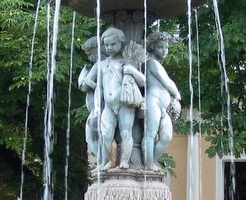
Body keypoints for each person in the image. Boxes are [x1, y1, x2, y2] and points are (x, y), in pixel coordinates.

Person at [79, 28, 144, 169]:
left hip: (125, 104)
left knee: (126, 132)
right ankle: (109, 161)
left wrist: (132, 70)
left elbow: (143, 82)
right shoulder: (101, 65)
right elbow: (88, 86)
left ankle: (125, 161)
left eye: (113, 44)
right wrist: (84, 78)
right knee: (106, 134)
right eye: (106, 45)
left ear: (121, 43)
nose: (109, 48)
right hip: (108, 107)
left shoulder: (127, 63)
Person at [143, 31, 181, 169]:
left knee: (166, 136)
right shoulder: (151, 62)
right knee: (150, 134)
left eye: (166, 47)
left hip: (163, 106)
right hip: (153, 101)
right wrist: (177, 95)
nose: (164, 50)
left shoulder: (157, 64)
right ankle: (148, 164)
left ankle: (152, 160)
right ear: (152, 47)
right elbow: (167, 83)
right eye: (160, 47)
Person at [77, 36, 101, 161]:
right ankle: (103, 161)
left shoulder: (99, 65)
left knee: (91, 137)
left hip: (99, 110)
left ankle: (103, 161)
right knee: (91, 138)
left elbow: (84, 87)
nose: (90, 57)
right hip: (96, 109)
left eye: (90, 53)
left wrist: (84, 77)